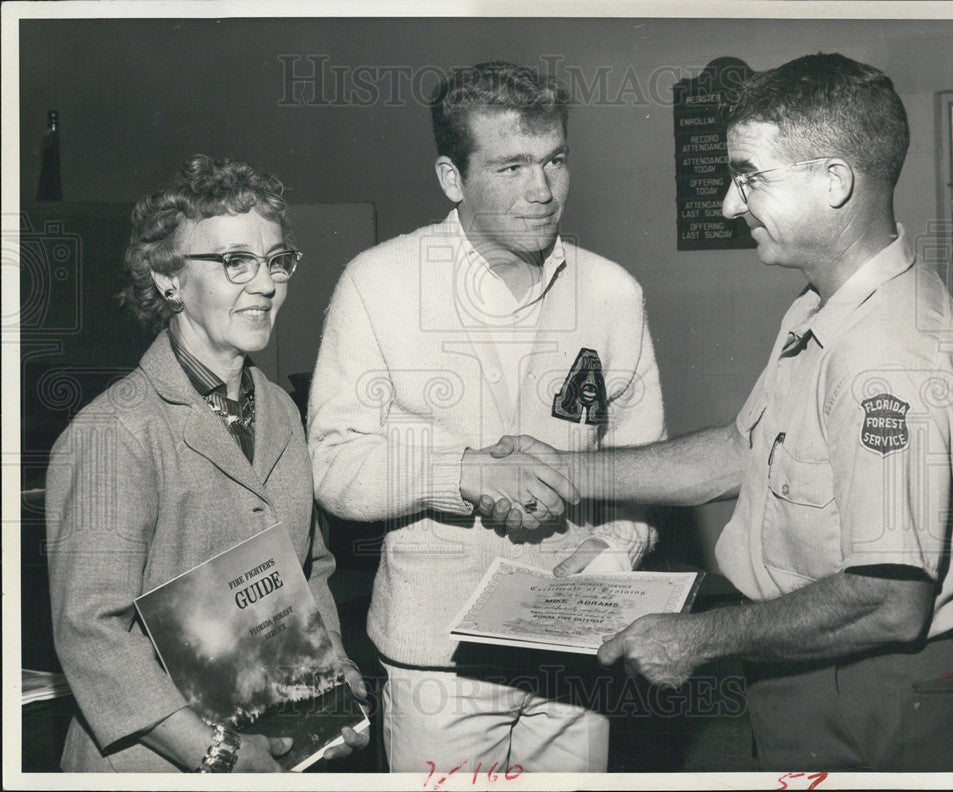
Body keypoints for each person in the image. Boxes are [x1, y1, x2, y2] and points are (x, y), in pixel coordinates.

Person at [483, 53, 953, 771]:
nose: (728, 204)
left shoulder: (888, 355)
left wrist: (700, 639)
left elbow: (889, 599)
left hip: (871, 696)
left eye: (750, 177)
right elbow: (738, 452)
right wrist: (566, 467)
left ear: (834, 181)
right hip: (808, 672)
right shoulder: (826, 303)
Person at [307, 61, 665, 772]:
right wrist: (461, 471)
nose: (542, 190)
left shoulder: (613, 293)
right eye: (511, 167)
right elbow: (335, 465)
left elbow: (646, 466)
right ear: (451, 177)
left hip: (572, 647)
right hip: (440, 663)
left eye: (555, 160)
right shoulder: (377, 283)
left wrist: (616, 550)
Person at [45, 155, 368, 772]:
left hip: (274, 745)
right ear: (167, 279)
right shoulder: (112, 432)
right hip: (157, 763)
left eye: (276, 261)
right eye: (234, 262)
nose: (267, 285)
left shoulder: (278, 408)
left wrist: (338, 685)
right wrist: (213, 751)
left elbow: (309, 569)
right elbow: (90, 630)